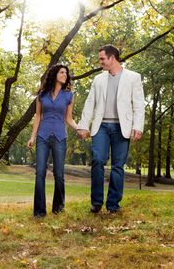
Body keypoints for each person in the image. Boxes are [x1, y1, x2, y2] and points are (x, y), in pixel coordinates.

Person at [77, 44, 145, 213]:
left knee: (117, 166)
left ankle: (113, 204)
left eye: (102, 59)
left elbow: (138, 104)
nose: (100, 62)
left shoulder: (133, 77)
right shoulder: (98, 79)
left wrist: (138, 126)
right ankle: (96, 202)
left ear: (112, 58)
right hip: (101, 126)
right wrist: (83, 125)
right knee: (98, 160)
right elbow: (90, 102)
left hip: (122, 127)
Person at [27, 64, 78, 218]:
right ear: (55, 74)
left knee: (59, 173)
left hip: (60, 137)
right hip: (42, 136)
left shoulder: (69, 96)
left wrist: (79, 128)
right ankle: (39, 211)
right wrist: (32, 136)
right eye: (62, 72)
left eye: (66, 73)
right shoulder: (42, 95)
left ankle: (58, 208)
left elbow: (68, 119)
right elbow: (38, 116)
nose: (65, 75)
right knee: (40, 172)